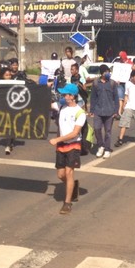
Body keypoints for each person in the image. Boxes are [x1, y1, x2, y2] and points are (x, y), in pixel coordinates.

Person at [49, 83, 86, 215]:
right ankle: (72, 185)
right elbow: (45, 104)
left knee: (69, 173)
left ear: (72, 96)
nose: (63, 96)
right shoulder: (61, 107)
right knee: (61, 175)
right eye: (63, 94)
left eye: (65, 94)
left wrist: (57, 139)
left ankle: (67, 203)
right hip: (61, 146)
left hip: (73, 145)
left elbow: (75, 133)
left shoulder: (80, 113)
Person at [89, 64, 119, 159]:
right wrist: (92, 110)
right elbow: (93, 97)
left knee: (108, 132)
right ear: (102, 73)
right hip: (98, 111)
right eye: (106, 72)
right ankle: (101, 146)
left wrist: (116, 110)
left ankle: (107, 149)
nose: (108, 73)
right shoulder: (96, 83)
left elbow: (116, 98)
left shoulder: (112, 83)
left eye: (108, 72)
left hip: (109, 111)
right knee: (97, 129)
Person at [0, 67, 17, 154]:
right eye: (6, 75)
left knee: (11, 125)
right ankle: (9, 142)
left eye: (9, 75)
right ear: (2, 76)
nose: (8, 77)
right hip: (3, 108)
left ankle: (8, 144)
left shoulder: (14, 84)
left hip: (13, 108)